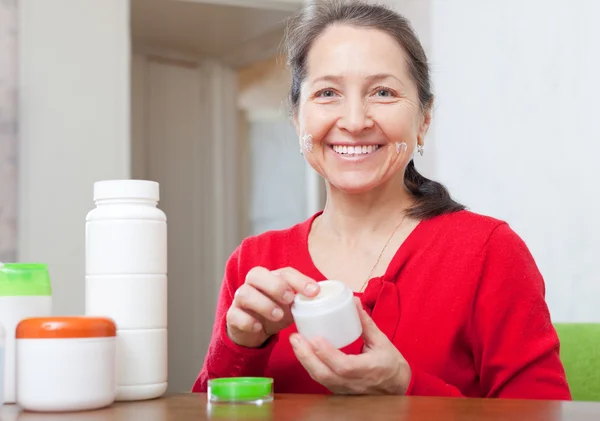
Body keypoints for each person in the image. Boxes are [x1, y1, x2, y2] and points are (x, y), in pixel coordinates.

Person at [192, 0, 571, 400]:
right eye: (327, 92)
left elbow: (545, 413)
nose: (355, 121)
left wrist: (405, 389)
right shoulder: (254, 264)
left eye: (383, 92)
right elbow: (203, 409)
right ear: (297, 119)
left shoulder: (489, 252)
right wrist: (240, 345)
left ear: (424, 120)